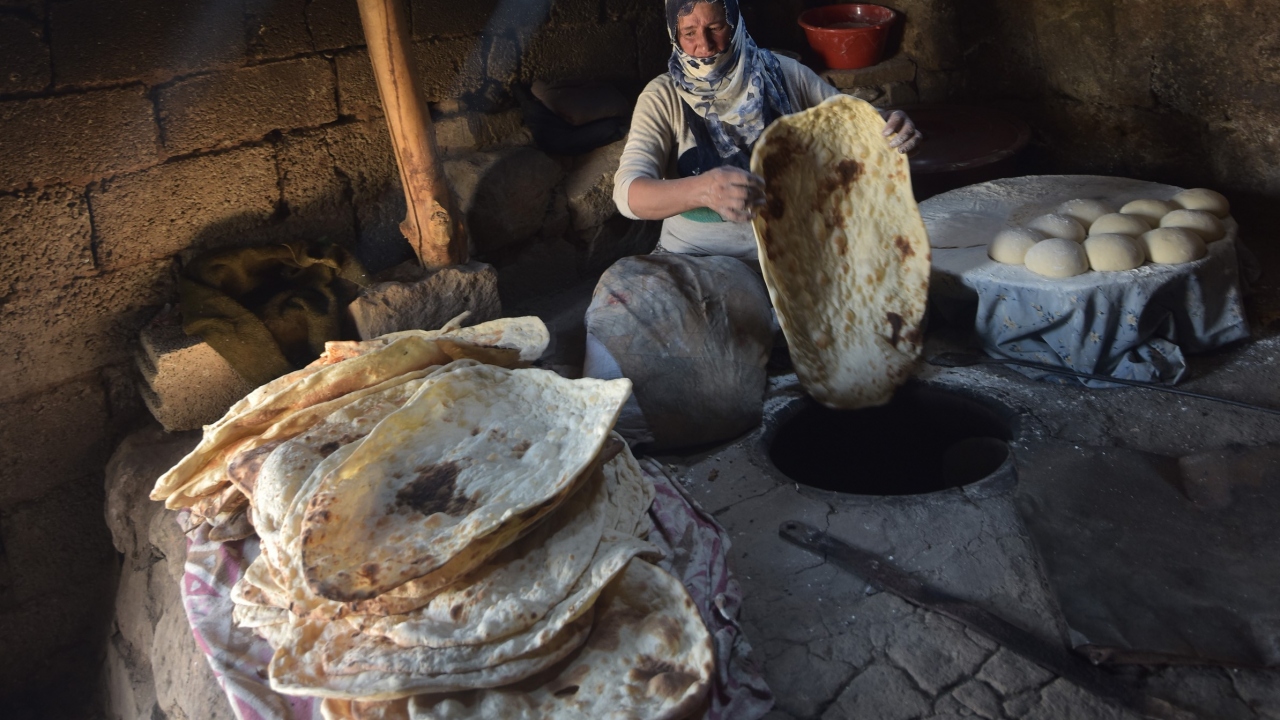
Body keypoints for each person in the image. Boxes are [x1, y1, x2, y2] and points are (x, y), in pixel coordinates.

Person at [613, 0, 924, 259]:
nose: (704, 46)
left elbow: (855, 123)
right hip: (697, 256)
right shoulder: (662, 96)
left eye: (715, 28)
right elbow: (628, 195)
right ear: (674, 35)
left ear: (734, 22)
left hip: (796, 249)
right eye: (689, 33)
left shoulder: (784, 74)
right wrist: (703, 190)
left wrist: (889, 123)